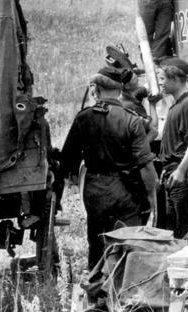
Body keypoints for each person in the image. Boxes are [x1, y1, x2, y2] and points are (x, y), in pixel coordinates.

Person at [60, 67, 158, 269]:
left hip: (95, 190)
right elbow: (145, 165)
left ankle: (97, 291)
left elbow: (68, 157)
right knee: (129, 242)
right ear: (120, 89)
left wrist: (72, 179)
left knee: (97, 243)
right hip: (126, 191)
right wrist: (151, 195)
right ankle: (126, 290)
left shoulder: (84, 117)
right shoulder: (131, 119)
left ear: (95, 89)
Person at [157, 57, 188, 246]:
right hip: (174, 171)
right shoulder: (177, 105)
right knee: (179, 227)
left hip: (182, 172)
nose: (160, 83)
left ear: (175, 79)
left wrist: (181, 170)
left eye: (163, 79)